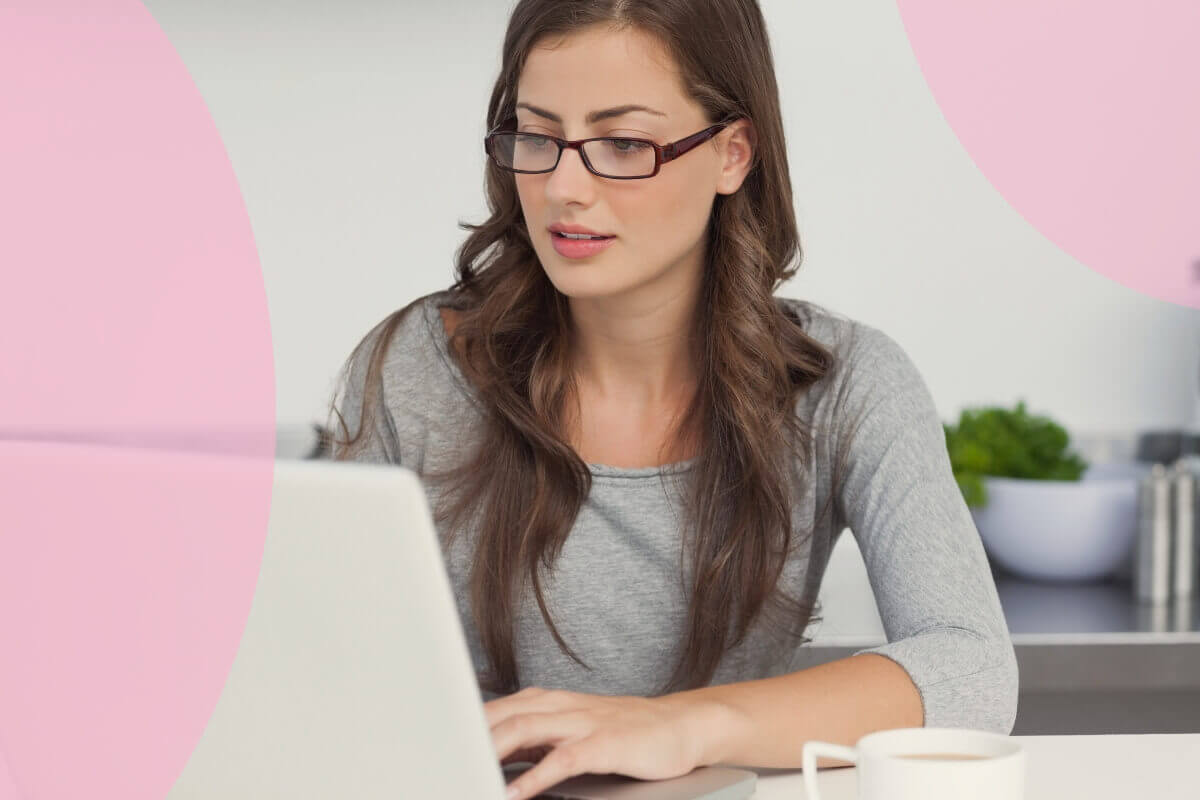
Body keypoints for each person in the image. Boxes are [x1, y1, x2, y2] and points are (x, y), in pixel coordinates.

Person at [325, 2, 1018, 798]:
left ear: (732, 154)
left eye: (623, 143)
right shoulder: (410, 370)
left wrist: (681, 725)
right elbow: (323, 670)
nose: (563, 188)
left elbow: (970, 667)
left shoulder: (847, 385)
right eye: (537, 134)